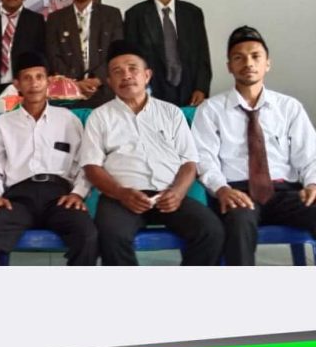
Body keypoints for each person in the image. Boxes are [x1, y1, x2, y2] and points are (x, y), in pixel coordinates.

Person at [193, 26, 316, 265]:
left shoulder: (289, 107)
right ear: (229, 66)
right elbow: (203, 158)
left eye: (255, 56)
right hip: (237, 193)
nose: (248, 63)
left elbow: (312, 155)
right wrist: (222, 189)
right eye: (239, 58)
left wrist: (313, 184)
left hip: (286, 193)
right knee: (238, 223)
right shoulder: (210, 110)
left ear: (267, 63)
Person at [79, 39, 224, 266]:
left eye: (133, 69)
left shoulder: (171, 113)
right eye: (117, 72)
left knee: (211, 230)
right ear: (109, 81)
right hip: (121, 197)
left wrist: (177, 192)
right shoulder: (100, 117)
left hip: (168, 194)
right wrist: (121, 193)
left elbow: (189, 162)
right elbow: (91, 166)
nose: (126, 76)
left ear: (147, 75)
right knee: (111, 235)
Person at [0, 52, 98, 266]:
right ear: (17, 84)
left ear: (48, 82)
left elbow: (84, 164)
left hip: (59, 197)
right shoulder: (3, 123)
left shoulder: (68, 120)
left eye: (39, 77)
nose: (34, 84)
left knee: (88, 235)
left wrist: (78, 193)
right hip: (18, 199)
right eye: (27, 78)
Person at [124, 0, 211, 106]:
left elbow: (202, 56)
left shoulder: (193, 13)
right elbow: (132, 59)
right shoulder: (135, 15)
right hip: (151, 94)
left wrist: (201, 88)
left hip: (190, 93)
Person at [45, 0, 123, 108]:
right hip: (68, 95)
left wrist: (97, 80)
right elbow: (53, 56)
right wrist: (75, 84)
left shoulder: (111, 15)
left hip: (105, 91)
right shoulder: (56, 19)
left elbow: (117, 52)